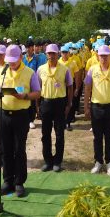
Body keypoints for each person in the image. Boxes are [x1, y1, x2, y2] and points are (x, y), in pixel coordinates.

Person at [0, 44, 41, 198]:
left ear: (21, 57)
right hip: (4, 114)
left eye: (14, 60)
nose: (11, 63)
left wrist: (25, 96)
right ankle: (8, 180)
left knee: (19, 149)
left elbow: (37, 93)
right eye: (9, 60)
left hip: (21, 115)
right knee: (5, 149)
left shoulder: (29, 73)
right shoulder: (1, 71)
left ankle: (19, 182)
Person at [84, 45, 110, 176]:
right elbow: (88, 88)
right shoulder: (92, 70)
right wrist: (86, 107)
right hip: (96, 107)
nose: (104, 58)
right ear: (97, 56)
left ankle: (109, 162)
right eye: (101, 56)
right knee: (97, 136)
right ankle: (98, 161)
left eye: (106, 55)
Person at [36, 44, 73, 172]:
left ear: (58, 54)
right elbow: (37, 88)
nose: (51, 56)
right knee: (45, 134)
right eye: (49, 53)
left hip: (59, 103)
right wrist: (37, 105)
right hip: (45, 103)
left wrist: (69, 104)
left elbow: (69, 86)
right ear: (46, 54)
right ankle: (47, 161)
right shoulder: (40, 69)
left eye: (54, 53)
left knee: (59, 134)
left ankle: (57, 161)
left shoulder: (65, 69)